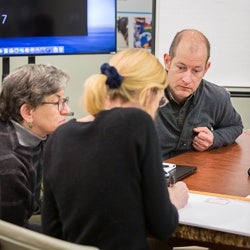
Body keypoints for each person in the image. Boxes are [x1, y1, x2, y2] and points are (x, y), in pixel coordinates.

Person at [42, 48, 189, 250]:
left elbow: (51, 232)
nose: (157, 108)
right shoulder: (138, 122)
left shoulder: (58, 137)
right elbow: (162, 227)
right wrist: (173, 199)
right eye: (160, 101)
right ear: (148, 93)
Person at [0, 64, 71, 231]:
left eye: (64, 101)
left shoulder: (41, 135)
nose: (66, 110)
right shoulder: (8, 166)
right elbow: (12, 237)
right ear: (28, 112)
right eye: (57, 102)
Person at [155, 29, 243, 160]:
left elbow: (235, 126)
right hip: (152, 174)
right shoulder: (143, 93)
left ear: (206, 68)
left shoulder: (216, 96)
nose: (187, 79)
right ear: (167, 61)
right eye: (181, 68)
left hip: (197, 174)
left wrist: (214, 138)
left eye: (196, 71)